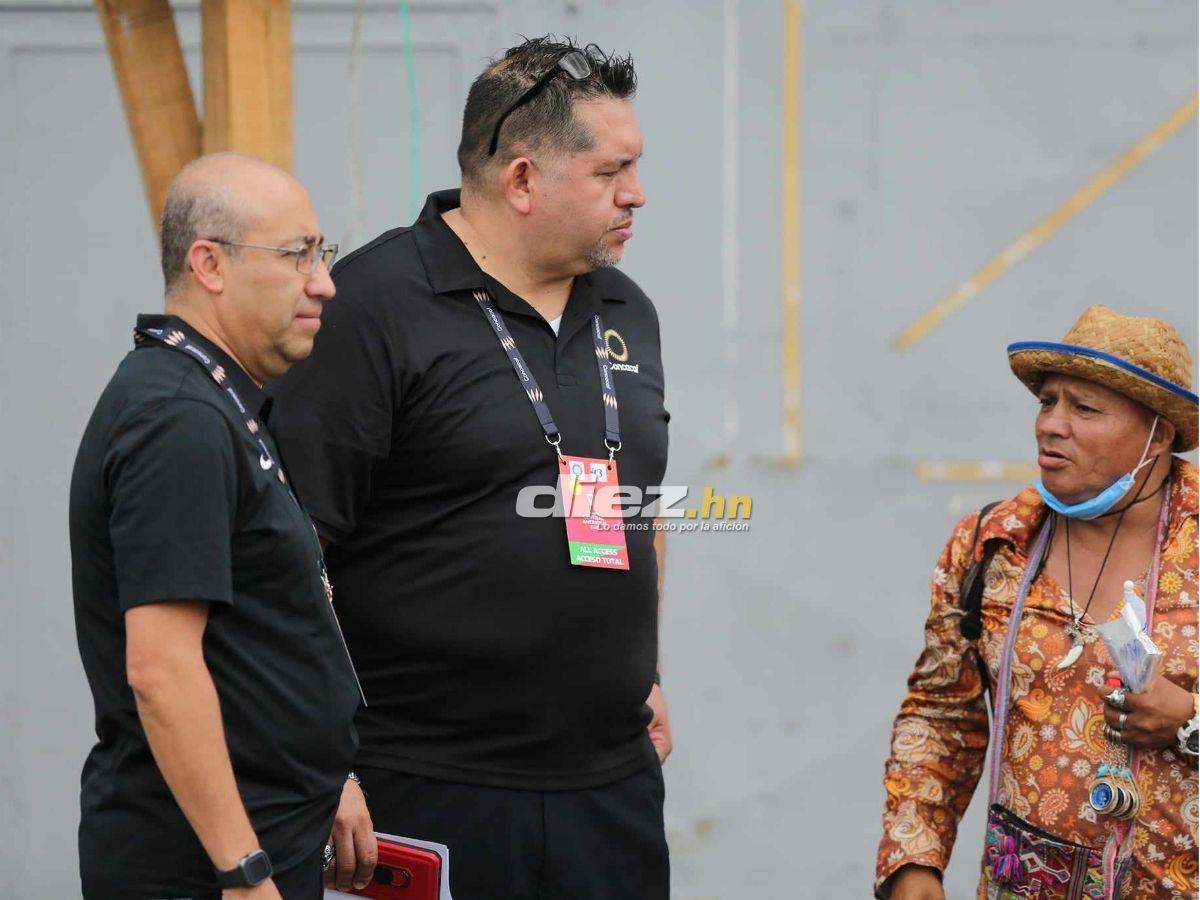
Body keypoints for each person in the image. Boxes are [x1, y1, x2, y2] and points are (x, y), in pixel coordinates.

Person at [267, 36, 671, 900]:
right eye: (612, 172)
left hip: (610, 789)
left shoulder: (627, 308)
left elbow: (636, 502)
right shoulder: (372, 307)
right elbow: (285, 552)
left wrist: (648, 671)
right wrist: (319, 764)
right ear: (522, 180)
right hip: (424, 788)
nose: (637, 194)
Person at [69, 153, 372, 900]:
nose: (324, 281)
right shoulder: (178, 419)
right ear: (209, 264)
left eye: (321, 253)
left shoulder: (218, 399)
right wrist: (242, 870)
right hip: (202, 868)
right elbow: (162, 670)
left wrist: (325, 775)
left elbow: (254, 639)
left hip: (267, 832)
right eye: (298, 254)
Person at [875, 306, 1199, 899]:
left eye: (1086, 409)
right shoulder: (993, 544)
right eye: (1048, 402)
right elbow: (941, 716)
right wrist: (913, 860)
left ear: (1160, 435)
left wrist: (1192, 726)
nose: (1051, 424)